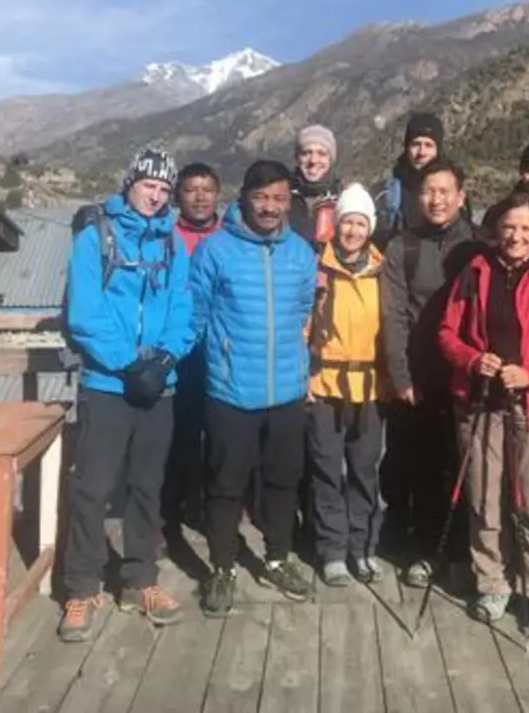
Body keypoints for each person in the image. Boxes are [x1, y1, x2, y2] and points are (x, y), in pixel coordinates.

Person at [57, 146, 195, 640]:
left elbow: (184, 308)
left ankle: (140, 579)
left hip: (159, 386)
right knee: (92, 488)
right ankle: (81, 586)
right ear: (129, 183)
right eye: (148, 185)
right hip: (107, 384)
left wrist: (165, 359)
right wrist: (128, 363)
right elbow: (84, 312)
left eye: (163, 189)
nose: (155, 196)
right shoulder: (94, 236)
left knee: (146, 487)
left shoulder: (173, 243)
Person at [437, 192, 529, 639]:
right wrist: (471, 360)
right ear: (495, 230)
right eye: (508, 227)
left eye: (525, 228)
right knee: (485, 498)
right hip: (482, 403)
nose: (516, 236)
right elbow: (447, 332)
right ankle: (493, 583)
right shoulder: (475, 272)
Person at [190, 160, 320, 616]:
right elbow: (197, 315)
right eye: (261, 197)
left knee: (283, 481)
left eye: (279, 198)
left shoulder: (300, 253)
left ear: (288, 202)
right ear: (244, 198)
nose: (270, 207)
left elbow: (303, 309)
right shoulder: (215, 250)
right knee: (225, 485)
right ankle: (222, 567)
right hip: (231, 391)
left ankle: (277, 558)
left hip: (286, 391)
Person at [379, 157, 484, 588]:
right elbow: (393, 316)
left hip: (469, 377)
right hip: (421, 379)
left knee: (467, 470)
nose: (436, 200)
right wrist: (401, 376)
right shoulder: (402, 248)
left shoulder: (480, 246)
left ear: (461, 196)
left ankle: (463, 553)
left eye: (445, 191)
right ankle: (425, 551)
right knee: (422, 468)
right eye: (428, 191)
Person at [305, 183, 387, 586]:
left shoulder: (383, 271)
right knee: (325, 469)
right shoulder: (317, 269)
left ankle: (363, 546)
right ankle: (333, 550)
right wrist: (303, 376)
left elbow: (393, 328)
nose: (353, 231)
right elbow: (302, 324)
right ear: (335, 225)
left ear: (370, 228)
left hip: (370, 386)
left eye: (360, 224)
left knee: (364, 470)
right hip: (324, 384)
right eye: (347, 223)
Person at [165, 162, 224, 532]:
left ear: (218, 195)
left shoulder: (231, 238)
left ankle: (212, 502)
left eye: (207, 190)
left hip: (221, 348)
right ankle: (174, 505)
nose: (200, 198)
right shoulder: (166, 238)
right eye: (191, 190)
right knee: (180, 429)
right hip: (180, 350)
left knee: (220, 432)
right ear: (178, 196)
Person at [375, 112, 444, 248]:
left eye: (428, 145)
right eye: (416, 144)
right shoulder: (386, 195)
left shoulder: (453, 194)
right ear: (407, 148)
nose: (421, 152)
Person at [290, 124, 342, 252]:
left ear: (331, 160)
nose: (313, 160)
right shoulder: (281, 196)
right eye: (306, 153)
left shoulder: (342, 199)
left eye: (321, 154)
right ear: (297, 158)